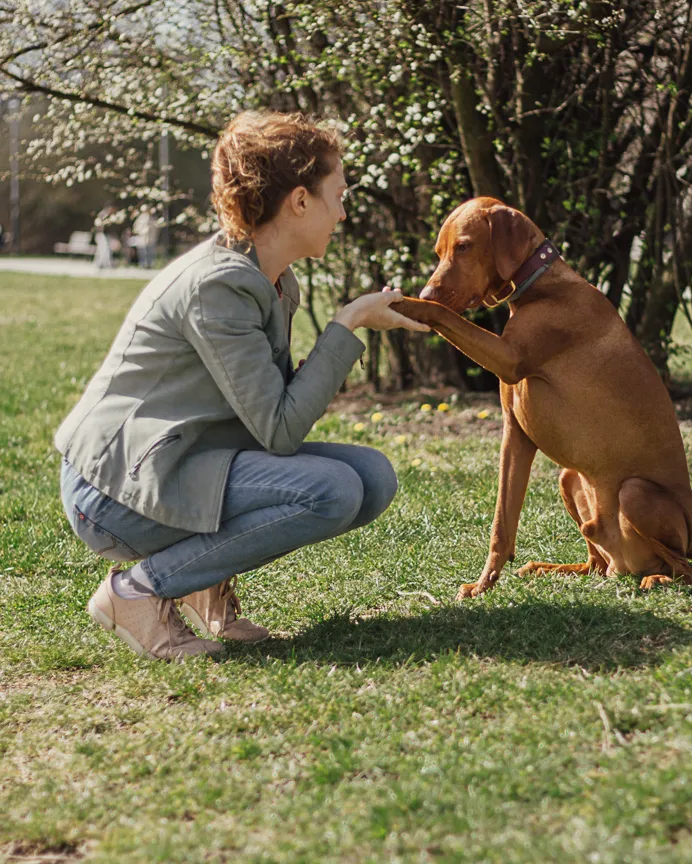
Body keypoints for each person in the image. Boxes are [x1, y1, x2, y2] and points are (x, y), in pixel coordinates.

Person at [56, 111, 429, 661]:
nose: (343, 212)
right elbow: (279, 431)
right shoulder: (220, 286)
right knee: (333, 490)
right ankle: (137, 592)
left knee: (372, 477)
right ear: (299, 201)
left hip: (186, 461)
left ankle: (204, 576)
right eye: (338, 195)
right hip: (112, 494)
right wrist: (347, 326)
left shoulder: (267, 275)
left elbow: (268, 414)